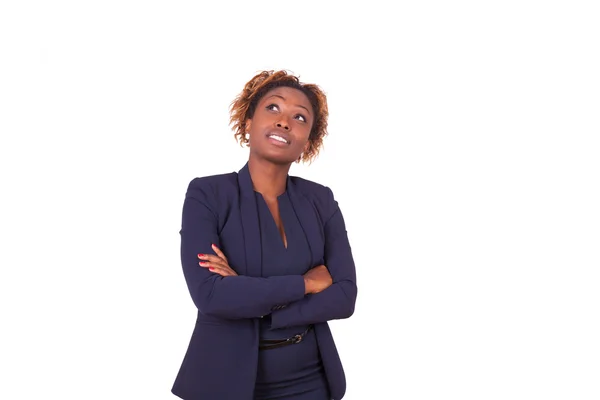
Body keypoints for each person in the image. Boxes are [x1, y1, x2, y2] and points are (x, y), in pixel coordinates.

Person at [171, 70, 358, 400]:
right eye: (273, 108)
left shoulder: (321, 200)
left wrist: (254, 300)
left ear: (307, 143)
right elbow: (210, 296)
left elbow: (344, 296)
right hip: (225, 382)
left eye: (299, 117)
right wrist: (306, 284)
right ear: (247, 123)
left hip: (312, 381)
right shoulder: (208, 194)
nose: (284, 121)